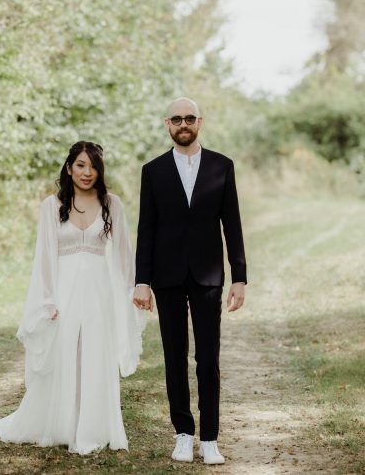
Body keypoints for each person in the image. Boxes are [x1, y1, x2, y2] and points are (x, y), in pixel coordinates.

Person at [0, 141, 146, 454]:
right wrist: (47, 300)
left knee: (95, 353)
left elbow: (125, 254)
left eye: (93, 166)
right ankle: (61, 423)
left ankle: (93, 426)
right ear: (69, 167)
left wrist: (134, 288)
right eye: (81, 165)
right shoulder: (52, 205)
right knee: (64, 354)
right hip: (65, 289)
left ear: (100, 170)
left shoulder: (111, 204)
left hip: (99, 291)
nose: (87, 173)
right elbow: (44, 257)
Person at [133, 97, 247, 465]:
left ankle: (210, 438)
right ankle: (183, 433)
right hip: (165, 276)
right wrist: (141, 280)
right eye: (177, 118)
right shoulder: (152, 171)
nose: (184, 123)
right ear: (167, 123)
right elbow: (146, 229)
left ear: (200, 121)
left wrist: (240, 276)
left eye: (190, 118)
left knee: (208, 357)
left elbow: (232, 224)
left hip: (208, 274)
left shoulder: (221, 166)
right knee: (174, 357)